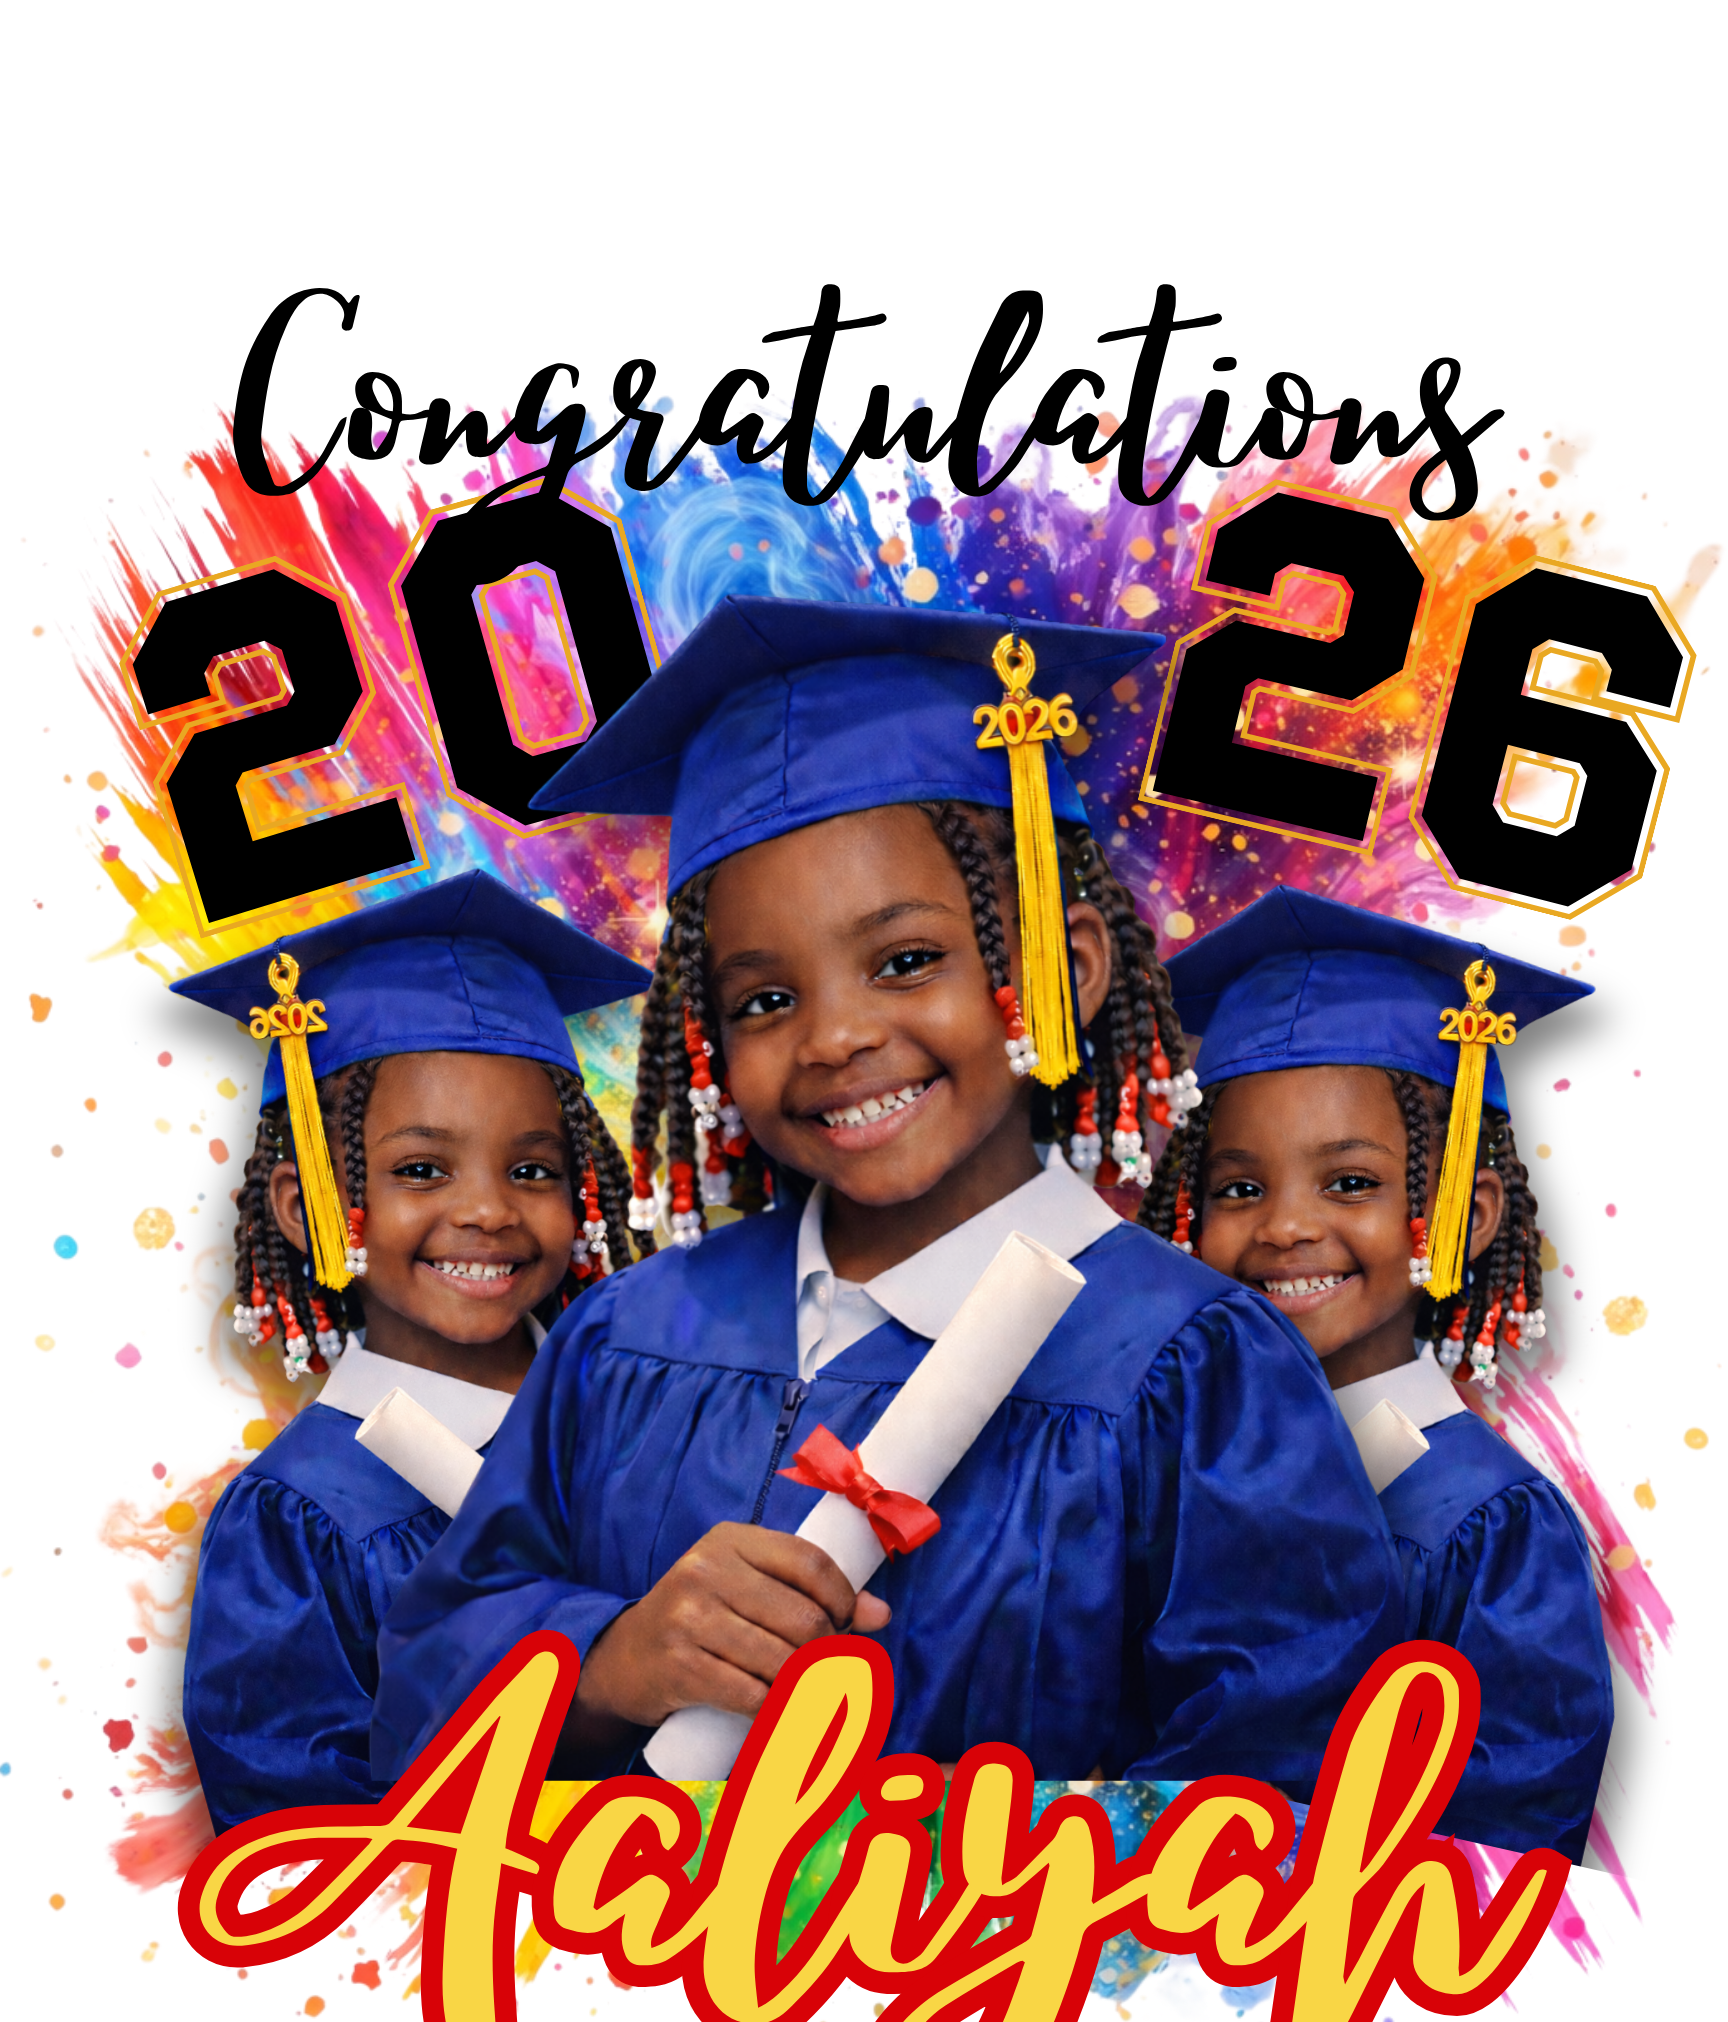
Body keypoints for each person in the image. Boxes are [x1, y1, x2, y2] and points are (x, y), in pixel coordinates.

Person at [373, 597, 1407, 1796]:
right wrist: (608, 1664)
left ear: (1062, 970)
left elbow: (1291, 1805)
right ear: (705, 1042)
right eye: (764, 1000)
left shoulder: (1194, 1371)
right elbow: (423, 1686)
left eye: (906, 961)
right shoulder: (628, 1336)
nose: (836, 1037)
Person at [1140, 887, 1612, 1859]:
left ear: (1465, 1217)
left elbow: (1501, 1860)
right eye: (1238, 1188)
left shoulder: (1489, 1532)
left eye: (1350, 1182)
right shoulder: (1160, 1479)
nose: (1283, 1227)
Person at [172, 871, 649, 1831]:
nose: (486, 1208)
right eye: (421, 1170)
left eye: (532, 1170)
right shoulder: (300, 1518)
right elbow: (294, 1853)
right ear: (306, 1211)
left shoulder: (654, 1425)